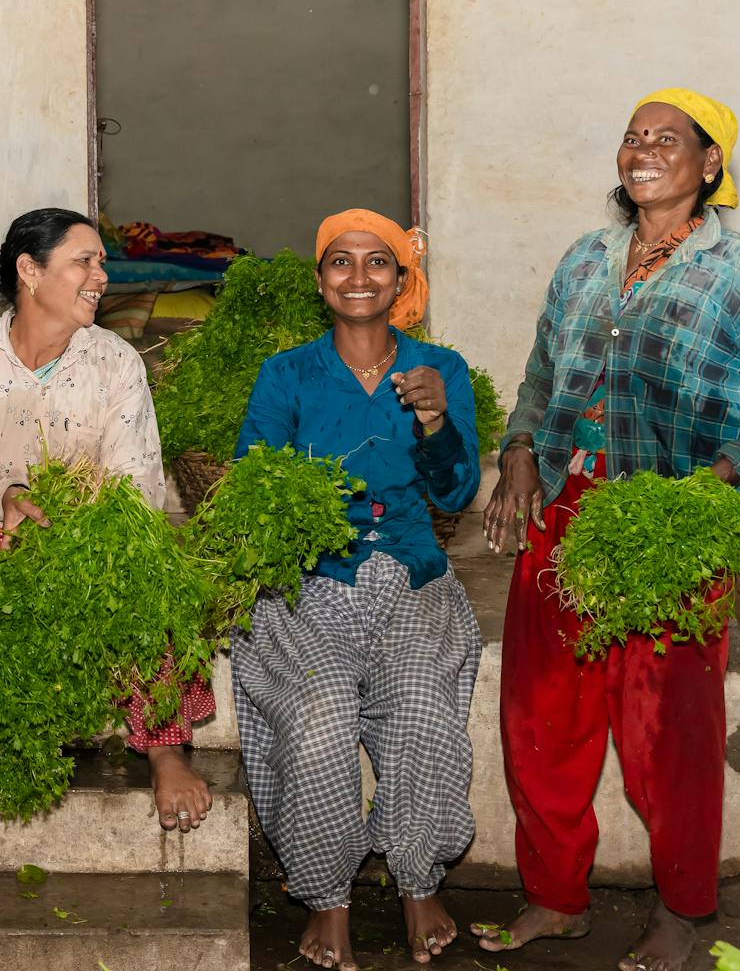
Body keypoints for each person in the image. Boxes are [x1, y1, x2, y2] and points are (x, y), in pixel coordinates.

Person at [471, 88, 740, 971]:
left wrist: (714, 488)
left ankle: (680, 912)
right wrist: (519, 447)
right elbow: (542, 373)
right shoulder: (585, 260)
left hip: (671, 520)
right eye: (633, 135)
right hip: (568, 511)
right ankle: (555, 898)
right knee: (542, 720)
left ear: (710, 165)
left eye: (669, 139)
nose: (643, 149)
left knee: (668, 731)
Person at [0, 207, 216, 831]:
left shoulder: (115, 363)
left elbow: (139, 481)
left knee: (143, 562)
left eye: (101, 261)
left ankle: (164, 745)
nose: (102, 275)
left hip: (94, 530)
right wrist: (8, 499)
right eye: (85, 261)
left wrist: (81, 525)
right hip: (1, 526)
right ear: (29, 271)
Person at [233, 210, 482, 971]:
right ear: (320, 281)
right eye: (341, 262)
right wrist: (300, 512)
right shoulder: (288, 374)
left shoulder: (440, 368)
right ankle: (326, 894)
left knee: (420, 703)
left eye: (379, 263)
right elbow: (253, 479)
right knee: (319, 714)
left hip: (410, 578)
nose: (360, 277)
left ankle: (417, 881)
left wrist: (436, 420)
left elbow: (458, 492)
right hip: (312, 582)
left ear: (402, 281)